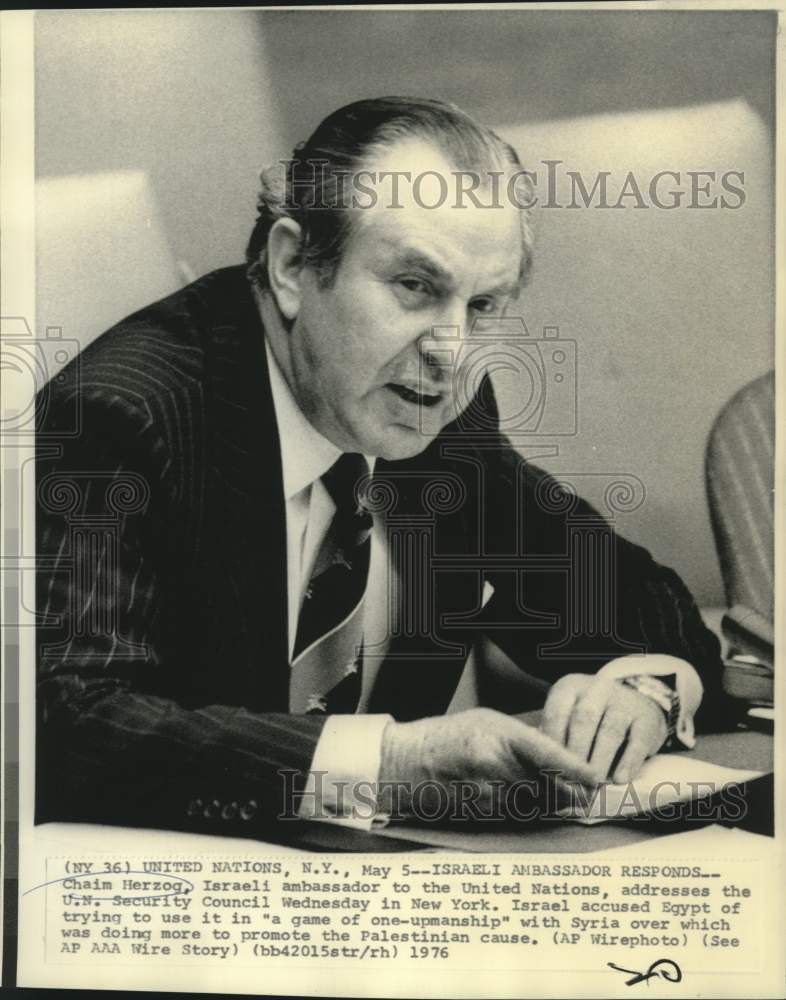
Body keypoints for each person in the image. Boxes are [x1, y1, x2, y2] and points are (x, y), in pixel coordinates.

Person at [35, 96, 729, 837]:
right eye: (415, 287)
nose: (452, 351)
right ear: (295, 265)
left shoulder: (438, 408)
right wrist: (392, 763)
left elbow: (648, 612)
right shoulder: (123, 418)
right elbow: (73, 724)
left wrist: (641, 691)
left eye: (485, 304)